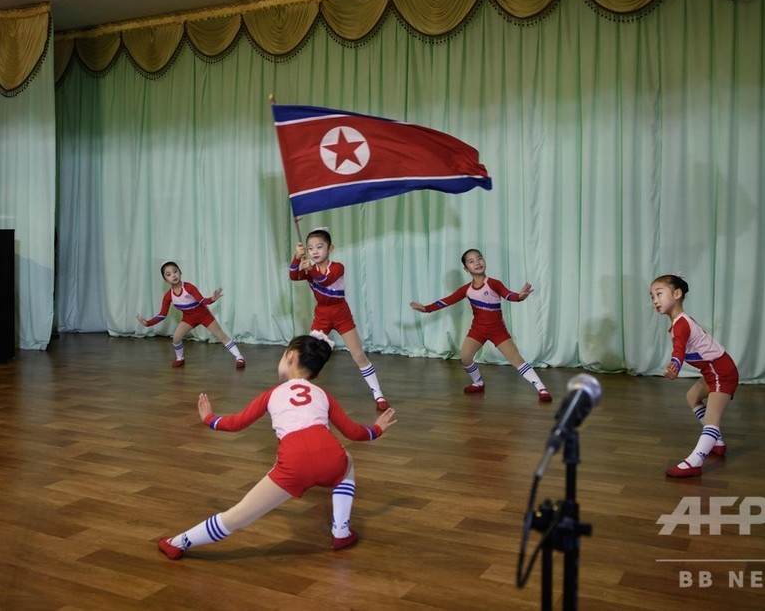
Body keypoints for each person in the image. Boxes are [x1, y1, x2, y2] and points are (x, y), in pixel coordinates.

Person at [157, 333, 397, 559]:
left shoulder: (273, 394)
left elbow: (236, 423)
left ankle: (177, 543)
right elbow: (353, 432)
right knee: (348, 461)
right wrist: (375, 430)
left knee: (239, 515)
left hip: (294, 464)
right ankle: (341, 532)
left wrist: (210, 419)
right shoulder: (323, 394)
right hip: (331, 456)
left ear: (291, 355)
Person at [410, 249, 551, 403]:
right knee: (465, 357)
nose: (477, 263)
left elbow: (508, 295)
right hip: (478, 330)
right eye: (471, 261)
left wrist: (519, 297)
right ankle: (478, 382)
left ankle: (541, 388)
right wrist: (426, 308)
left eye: (479, 258)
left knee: (516, 359)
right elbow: (447, 300)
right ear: (466, 269)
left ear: (484, 261)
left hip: (497, 330)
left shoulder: (493, 283)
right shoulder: (466, 289)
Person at [290, 228, 390, 411]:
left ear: (330, 248)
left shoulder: (337, 267)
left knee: (359, 355)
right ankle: (299, 393)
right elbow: (293, 276)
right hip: (322, 315)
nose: (314, 251)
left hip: (341, 313)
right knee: (309, 355)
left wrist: (309, 268)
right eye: (310, 248)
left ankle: (378, 393)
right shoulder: (309, 268)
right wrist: (296, 258)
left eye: (320, 247)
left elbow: (325, 281)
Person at [650, 274, 739, 478]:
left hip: (720, 371)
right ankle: (716, 442)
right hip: (714, 369)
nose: (655, 300)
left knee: (711, 419)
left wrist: (675, 365)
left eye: (659, 294)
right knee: (692, 397)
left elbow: (679, 349)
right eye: (652, 296)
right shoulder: (680, 322)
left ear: (677, 294)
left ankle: (695, 461)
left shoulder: (681, 324)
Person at [137, 261, 245, 369]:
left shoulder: (189, 287)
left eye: (175, 271)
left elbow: (202, 300)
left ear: (180, 272)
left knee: (220, 335)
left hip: (203, 315)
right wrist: (147, 323)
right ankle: (180, 358)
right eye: (168, 274)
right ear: (165, 280)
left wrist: (212, 299)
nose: (173, 275)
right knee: (176, 338)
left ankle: (239, 357)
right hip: (188, 318)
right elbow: (162, 315)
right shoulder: (168, 296)